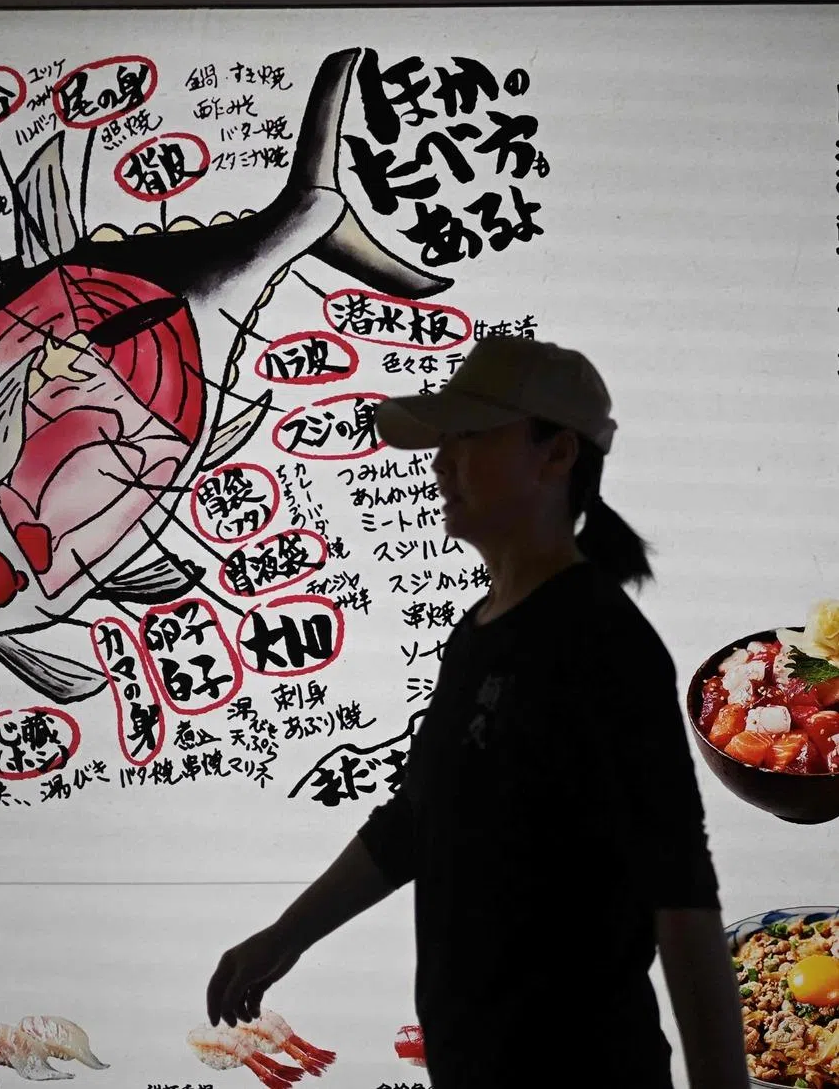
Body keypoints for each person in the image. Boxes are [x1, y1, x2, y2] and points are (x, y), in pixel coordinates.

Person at [205, 336, 748, 1089]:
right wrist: (283, 939)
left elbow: (682, 897)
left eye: (468, 438)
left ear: (555, 456)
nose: (439, 462)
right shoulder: (478, 632)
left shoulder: (603, 643)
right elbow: (415, 824)